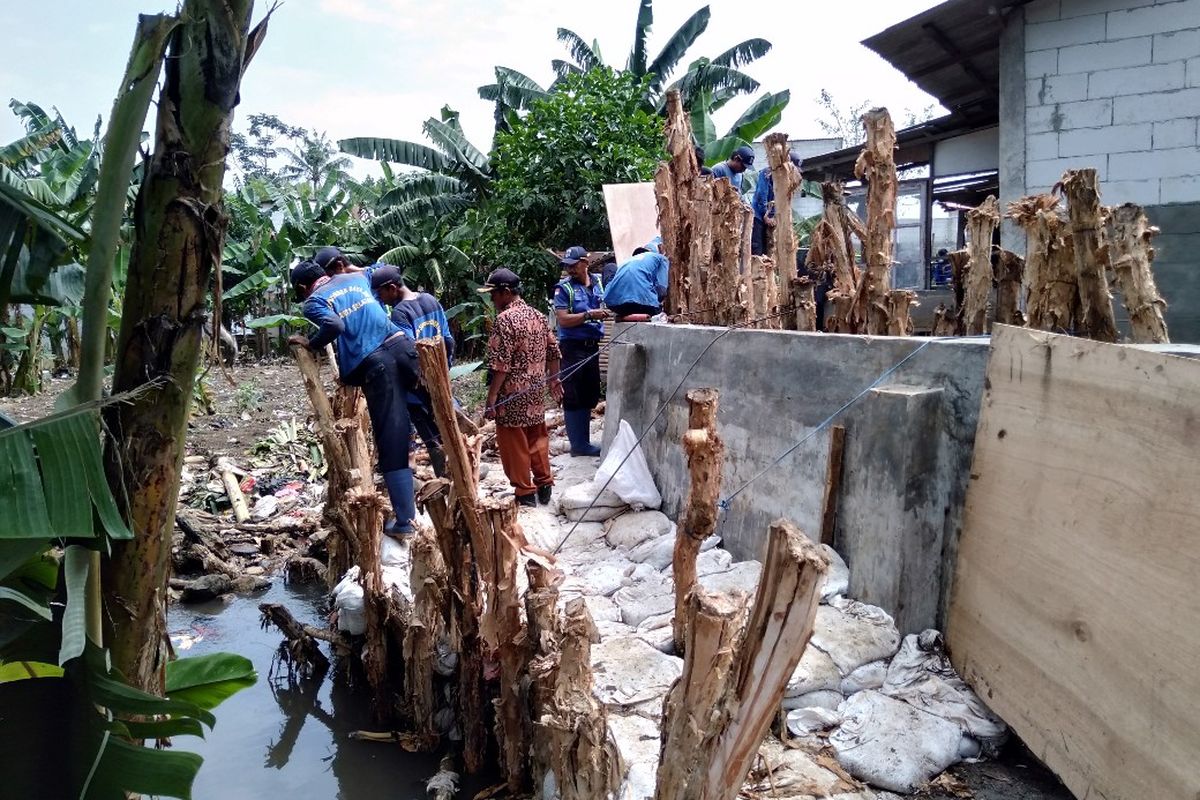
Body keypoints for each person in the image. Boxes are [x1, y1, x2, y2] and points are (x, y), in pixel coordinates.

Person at [289, 246, 419, 537]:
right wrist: (351, 268)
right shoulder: (358, 279)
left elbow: (334, 325)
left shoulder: (314, 300)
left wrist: (311, 344)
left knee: (392, 439)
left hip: (376, 364)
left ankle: (405, 523)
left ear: (302, 287)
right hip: (403, 347)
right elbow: (384, 269)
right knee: (433, 411)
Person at [480, 268, 563, 507]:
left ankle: (525, 492)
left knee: (513, 442)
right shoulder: (537, 315)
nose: (492, 299)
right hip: (536, 392)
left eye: (493, 294)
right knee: (537, 437)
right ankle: (544, 483)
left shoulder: (504, 320)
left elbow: (500, 366)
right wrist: (554, 380)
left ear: (506, 293)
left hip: (511, 394)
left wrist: (492, 397)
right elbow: (553, 351)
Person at [369, 264, 454, 478]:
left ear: (392, 287)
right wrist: (445, 370)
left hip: (417, 380)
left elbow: (408, 351)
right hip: (440, 374)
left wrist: (416, 379)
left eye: (381, 293)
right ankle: (457, 467)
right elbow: (448, 338)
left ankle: (444, 474)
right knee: (446, 421)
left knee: (428, 430)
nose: (381, 299)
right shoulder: (430, 300)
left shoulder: (400, 312)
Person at [553, 245, 607, 457]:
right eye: (567, 267)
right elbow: (563, 319)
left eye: (573, 266)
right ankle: (578, 445)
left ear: (585, 263)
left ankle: (584, 442)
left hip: (592, 346)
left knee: (589, 393)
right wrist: (589, 315)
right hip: (572, 348)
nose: (570, 270)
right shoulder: (563, 288)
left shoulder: (599, 282)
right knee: (573, 395)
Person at [751, 149, 803, 256]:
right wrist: (766, 215)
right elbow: (762, 196)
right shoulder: (766, 174)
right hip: (759, 218)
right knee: (757, 250)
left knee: (770, 250)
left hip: (773, 220)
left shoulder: (787, 180)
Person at [602, 237, 669, 319]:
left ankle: (625, 315)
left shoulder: (627, 261)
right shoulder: (661, 258)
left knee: (610, 267)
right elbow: (662, 290)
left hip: (614, 305)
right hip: (644, 305)